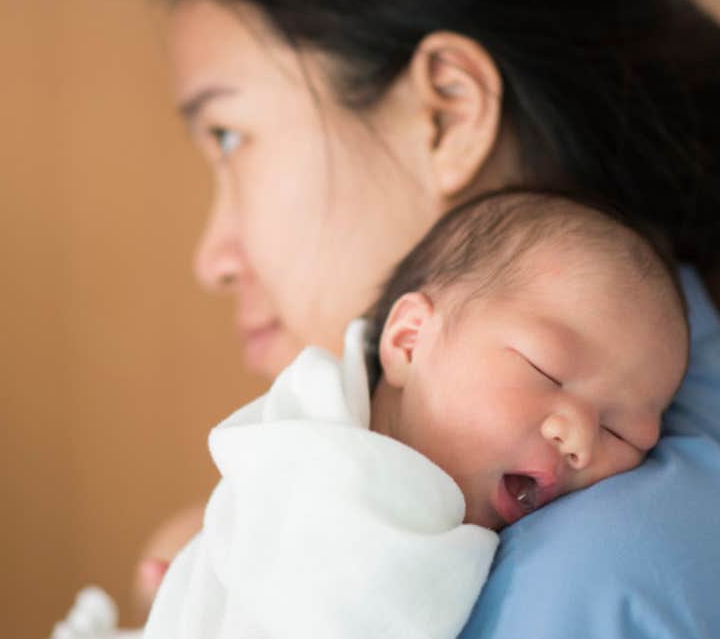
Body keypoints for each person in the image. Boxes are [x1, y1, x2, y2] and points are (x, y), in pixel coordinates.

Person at [136, 0, 720, 637]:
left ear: (448, 111)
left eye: (232, 135)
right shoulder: (679, 440)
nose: (214, 256)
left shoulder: (586, 581)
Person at [56, 191, 684, 638]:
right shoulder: (342, 473)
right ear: (410, 342)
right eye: (546, 371)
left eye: (622, 431)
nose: (577, 436)